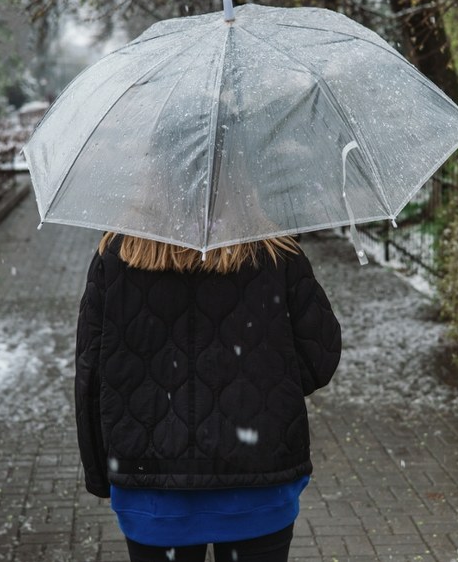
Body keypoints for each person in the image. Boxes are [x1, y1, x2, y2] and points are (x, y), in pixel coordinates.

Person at [75, 232, 341, 562]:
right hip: (258, 484)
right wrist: (263, 382)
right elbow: (318, 358)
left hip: (152, 491)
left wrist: (100, 475)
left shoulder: (117, 255)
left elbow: (92, 375)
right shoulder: (276, 252)